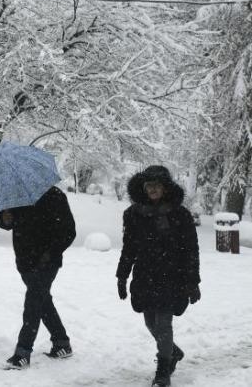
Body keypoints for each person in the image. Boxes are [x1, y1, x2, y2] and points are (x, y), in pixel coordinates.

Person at [116, 165, 200, 387]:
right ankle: (172, 351)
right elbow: (129, 248)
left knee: (163, 324)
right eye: (148, 185)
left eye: (156, 185)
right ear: (143, 188)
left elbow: (191, 249)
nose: (152, 189)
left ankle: (163, 371)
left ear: (165, 187)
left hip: (172, 276)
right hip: (144, 276)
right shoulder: (133, 214)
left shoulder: (180, 215)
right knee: (150, 322)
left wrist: (193, 282)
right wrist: (121, 276)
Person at [0, 185, 76, 370]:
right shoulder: (14, 194)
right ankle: (61, 343)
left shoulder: (54, 196)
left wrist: (50, 253)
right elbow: (6, 223)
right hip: (24, 261)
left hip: (46, 262)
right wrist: (5, 219)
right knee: (42, 301)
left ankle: (22, 353)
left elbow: (69, 232)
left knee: (33, 303)